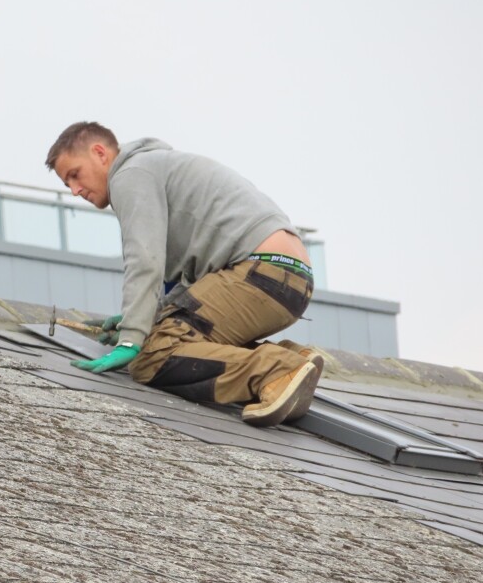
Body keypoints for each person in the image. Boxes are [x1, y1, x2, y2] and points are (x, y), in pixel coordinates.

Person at [45, 122, 323, 427]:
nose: (74, 191)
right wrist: (143, 319)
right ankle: (294, 360)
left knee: (152, 356)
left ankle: (276, 371)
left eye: (75, 174)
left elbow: (144, 260)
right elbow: (183, 287)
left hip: (261, 272)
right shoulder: (157, 167)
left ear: (99, 153)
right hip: (289, 278)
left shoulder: (130, 174)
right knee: (173, 333)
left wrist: (131, 339)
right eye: (66, 183)